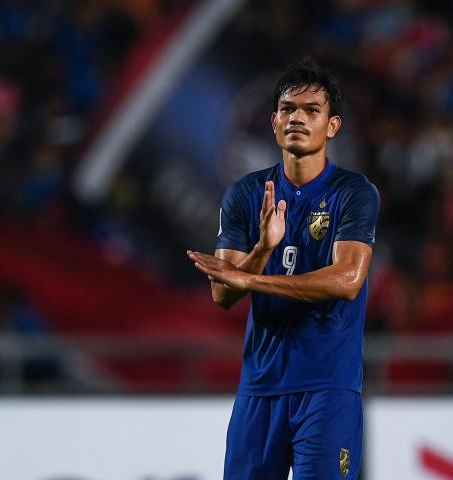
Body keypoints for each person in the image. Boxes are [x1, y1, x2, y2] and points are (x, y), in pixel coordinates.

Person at [187, 57, 379, 480]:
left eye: (312, 110)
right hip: (260, 388)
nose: (298, 118)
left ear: (332, 126)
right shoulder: (245, 193)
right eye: (289, 109)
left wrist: (253, 278)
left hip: (327, 388)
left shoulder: (354, 193)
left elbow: (347, 280)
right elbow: (224, 294)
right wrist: (260, 249)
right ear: (274, 123)